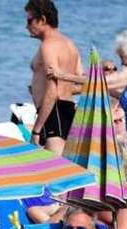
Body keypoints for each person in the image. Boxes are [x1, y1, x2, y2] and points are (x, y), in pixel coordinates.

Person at [49, 29, 127, 170]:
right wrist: (72, 89)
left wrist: (62, 76)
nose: (122, 63)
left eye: (122, 57)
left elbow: (102, 81)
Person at [25, 0, 81, 155]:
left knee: (57, 171)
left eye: (29, 20)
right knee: (65, 167)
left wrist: (36, 129)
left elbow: (53, 89)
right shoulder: (70, 45)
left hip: (53, 112)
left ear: (42, 20)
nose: (26, 26)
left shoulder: (48, 46)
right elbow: (80, 81)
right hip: (66, 110)